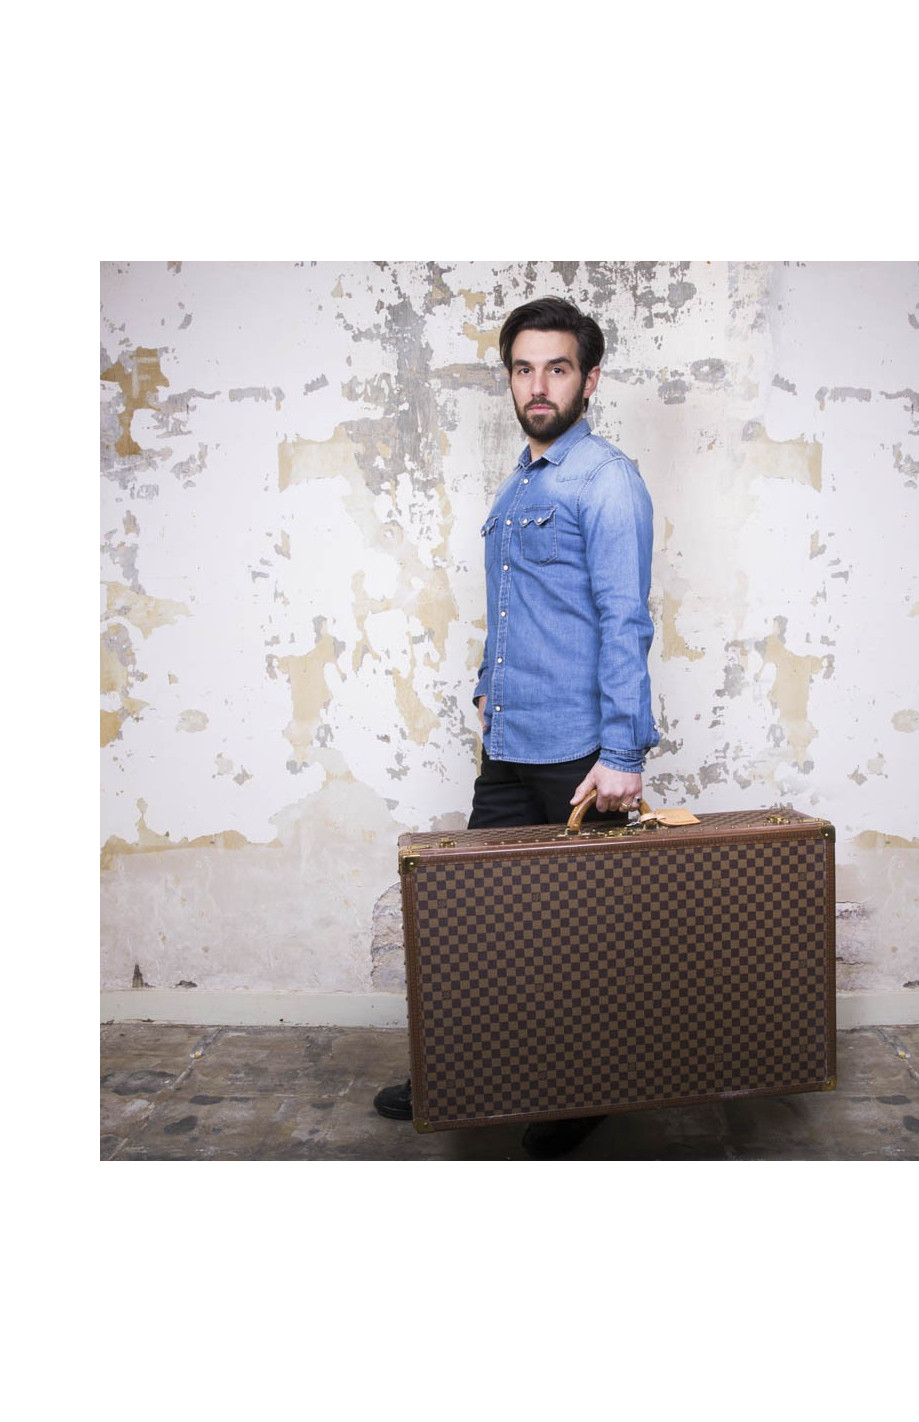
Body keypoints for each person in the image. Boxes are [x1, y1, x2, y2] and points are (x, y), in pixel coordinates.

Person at [373, 295, 659, 1156]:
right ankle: (462, 1076)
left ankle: (581, 1093)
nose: (539, 386)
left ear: (589, 379)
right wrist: (484, 690)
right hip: (509, 744)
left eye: (557, 368)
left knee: (577, 945)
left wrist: (623, 753)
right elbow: (516, 607)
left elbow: (624, 621)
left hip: (579, 758)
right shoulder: (522, 481)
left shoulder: (607, 480)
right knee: (480, 930)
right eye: (524, 369)